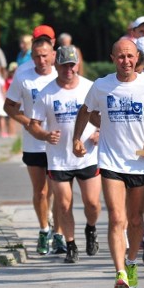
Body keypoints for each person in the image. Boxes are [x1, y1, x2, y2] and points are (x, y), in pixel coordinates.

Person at [72, 38, 144, 288]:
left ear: (137, 57)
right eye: (120, 57)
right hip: (111, 161)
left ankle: (130, 262)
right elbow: (85, 110)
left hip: (140, 162)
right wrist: (76, 139)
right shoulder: (102, 86)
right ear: (112, 58)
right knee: (117, 219)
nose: (125, 61)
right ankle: (119, 274)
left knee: (135, 221)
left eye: (130, 56)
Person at [28, 46, 101, 264]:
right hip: (59, 159)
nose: (68, 69)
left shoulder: (90, 88)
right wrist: (45, 135)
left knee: (92, 204)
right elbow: (33, 125)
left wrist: (99, 132)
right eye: (64, 65)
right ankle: (70, 245)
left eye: (72, 65)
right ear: (56, 65)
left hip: (87, 154)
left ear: (77, 65)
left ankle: (91, 228)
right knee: (63, 204)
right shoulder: (47, 93)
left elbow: (106, 116)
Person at [4, 33, 62, 255]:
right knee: (40, 191)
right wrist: (28, 122)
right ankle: (43, 229)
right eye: (37, 56)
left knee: (58, 190)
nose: (41, 61)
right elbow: (9, 106)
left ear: (53, 54)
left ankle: (58, 233)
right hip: (34, 143)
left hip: (57, 142)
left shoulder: (61, 74)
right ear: (32, 56)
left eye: (45, 56)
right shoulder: (23, 76)